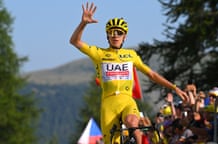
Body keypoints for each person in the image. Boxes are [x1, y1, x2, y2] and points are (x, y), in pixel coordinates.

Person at [69, 2, 187, 144]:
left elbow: (152, 75)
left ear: (124, 36)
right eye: (111, 32)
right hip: (108, 104)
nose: (115, 35)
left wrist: (174, 88)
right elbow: (74, 41)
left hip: (127, 100)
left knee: (132, 121)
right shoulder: (99, 53)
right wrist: (83, 23)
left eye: (119, 33)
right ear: (107, 36)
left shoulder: (131, 55)